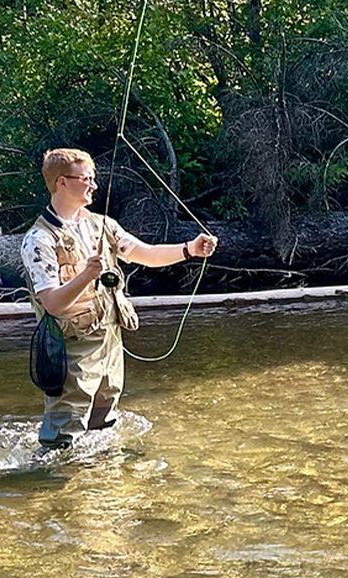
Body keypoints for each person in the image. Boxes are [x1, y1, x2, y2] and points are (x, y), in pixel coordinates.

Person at [20, 148, 218, 451]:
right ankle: (52, 491)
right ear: (62, 182)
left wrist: (190, 249)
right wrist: (86, 275)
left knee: (104, 426)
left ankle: (101, 484)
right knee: (61, 436)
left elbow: (147, 254)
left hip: (110, 339)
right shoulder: (39, 240)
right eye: (87, 179)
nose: (94, 185)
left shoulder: (103, 225)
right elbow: (52, 303)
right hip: (70, 348)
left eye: (93, 178)